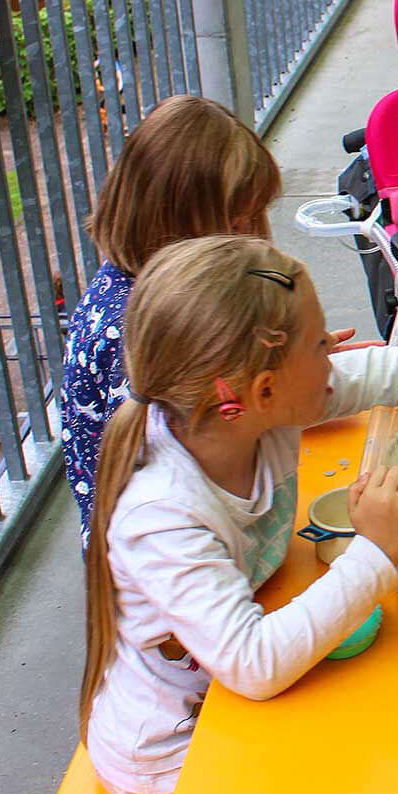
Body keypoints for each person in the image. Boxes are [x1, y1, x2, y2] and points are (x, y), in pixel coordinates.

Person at [80, 236, 398, 794]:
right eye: (319, 346)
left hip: (242, 700)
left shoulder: (259, 413)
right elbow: (254, 664)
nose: (334, 356)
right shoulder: (161, 514)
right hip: (176, 757)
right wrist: (376, 549)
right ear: (263, 390)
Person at [61, 95, 281, 539]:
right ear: (175, 226)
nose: (252, 237)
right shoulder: (135, 326)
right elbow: (201, 445)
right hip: (160, 559)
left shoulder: (177, 292)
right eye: (237, 224)